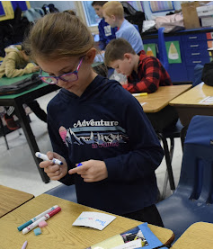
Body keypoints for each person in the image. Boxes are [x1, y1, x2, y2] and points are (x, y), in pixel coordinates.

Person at [26, 11, 164, 226]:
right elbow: (68, 166)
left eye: (66, 72)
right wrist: (60, 168)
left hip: (136, 207)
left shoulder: (120, 99)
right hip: (92, 210)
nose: (60, 82)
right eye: (50, 76)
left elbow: (151, 154)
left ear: (90, 57)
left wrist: (109, 168)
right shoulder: (56, 109)